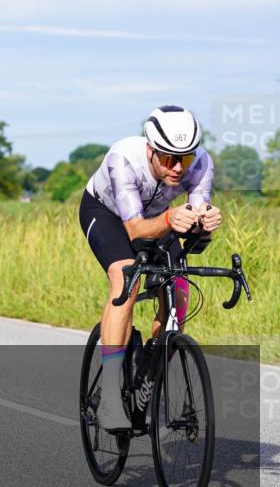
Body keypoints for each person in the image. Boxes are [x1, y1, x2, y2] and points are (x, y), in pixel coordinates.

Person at [79, 105, 220, 432]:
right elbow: (135, 231)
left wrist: (206, 224)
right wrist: (172, 218)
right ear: (150, 150)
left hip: (155, 219)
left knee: (179, 288)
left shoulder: (200, 163)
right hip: (108, 215)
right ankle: (112, 395)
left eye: (184, 159)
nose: (177, 168)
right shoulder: (124, 158)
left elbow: (194, 220)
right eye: (168, 159)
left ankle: (151, 365)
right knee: (124, 277)